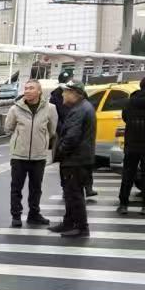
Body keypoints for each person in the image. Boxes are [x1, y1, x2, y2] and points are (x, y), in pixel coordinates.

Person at [4, 79, 57, 228]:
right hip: (19, 155)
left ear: (39, 91)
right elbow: (8, 128)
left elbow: (52, 130)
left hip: (39, 156)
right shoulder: (15, 109)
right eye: (26, 88)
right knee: (16, 188)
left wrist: (42, 140)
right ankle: (16, 215)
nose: (27, 91)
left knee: (36, 188)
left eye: (31, 88)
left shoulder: (50, 108)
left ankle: (34, 214)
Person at [49, 82, 96, 238]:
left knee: (75, 194)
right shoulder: (81, 107)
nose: (63, 94)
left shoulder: (80, 110)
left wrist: (60, 151)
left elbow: (71, 137)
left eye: (66, 92)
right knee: (70, 193)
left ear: (75, 93)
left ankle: (82, 227)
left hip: (76, 160)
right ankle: (69, 222)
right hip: (77, 159)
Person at [118, 76, 145, 216]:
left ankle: (123, 205)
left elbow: (125, 117)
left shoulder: (130, 100)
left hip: (132, 142)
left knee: (128, 173)